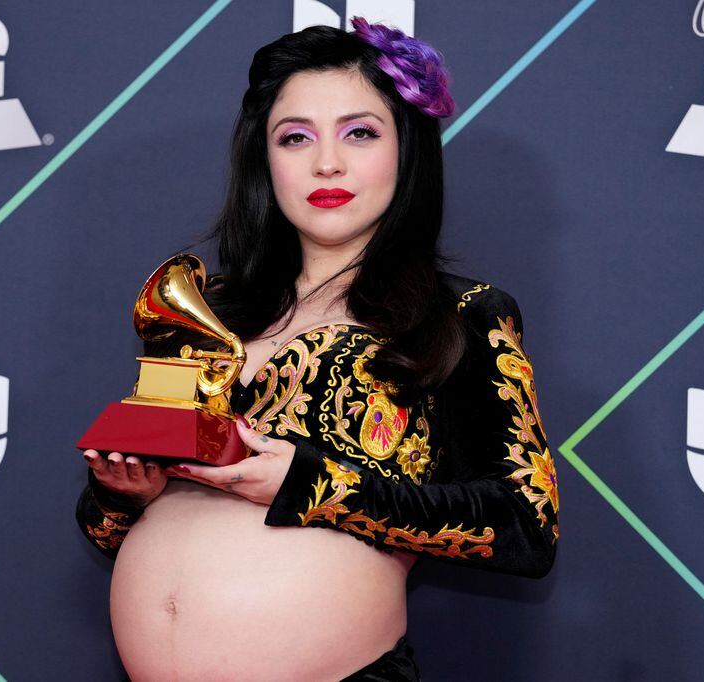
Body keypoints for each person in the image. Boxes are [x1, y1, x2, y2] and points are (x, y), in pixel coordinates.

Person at [76, 17, 559, 681]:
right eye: (295, 137)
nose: (326, 162)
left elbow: (524, 526)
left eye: (359, 132)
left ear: (407, 149)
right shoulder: (206, 310)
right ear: (264, 159)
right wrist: (123, 494)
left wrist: (311, 485)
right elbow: (107, 529)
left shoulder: (460, 316)